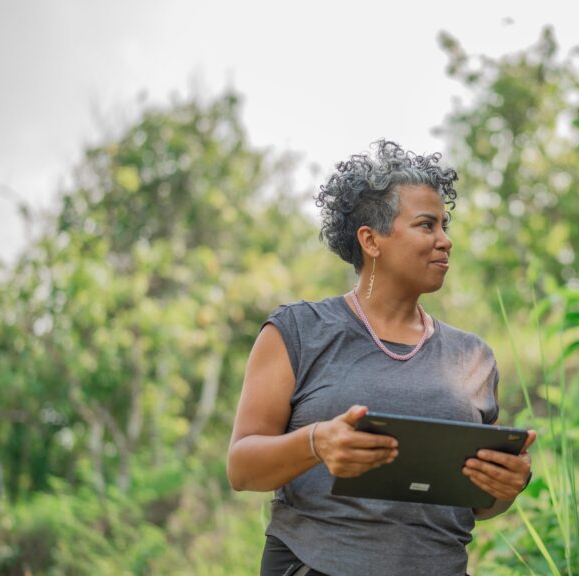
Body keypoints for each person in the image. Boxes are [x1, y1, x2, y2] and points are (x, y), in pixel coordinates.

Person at [227, 140, 535, 576]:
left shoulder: (473, 357)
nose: (446, 241)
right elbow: (242, 468)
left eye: (445, 226)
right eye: (427, 225)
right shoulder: (298, 331)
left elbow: (480, 506)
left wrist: (506, 486)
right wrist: (317, 442)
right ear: (371, 240)